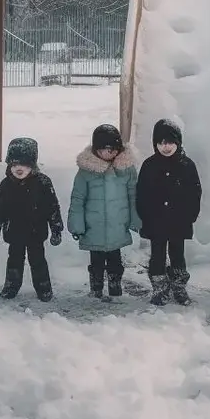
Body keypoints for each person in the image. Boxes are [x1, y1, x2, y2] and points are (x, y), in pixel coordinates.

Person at [67, 124, 140, 298]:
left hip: (117, 225)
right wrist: (77, 225)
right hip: (94, 228)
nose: (109, 153)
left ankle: (115, 287)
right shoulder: (86, 171)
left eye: (113, 149)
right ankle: (96, 287)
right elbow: (78, 199)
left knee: (115, 261)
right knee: (96, 262)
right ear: (96, 149)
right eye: (105, 149)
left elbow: (134, 195)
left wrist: (136, 220)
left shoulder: (126, 169)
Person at [0, 137, 63, 301]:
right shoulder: (6, 185)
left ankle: (44, 288)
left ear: (32, 165)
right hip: (14, 233)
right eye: (14, 164)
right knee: (14, 261)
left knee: (38, 261)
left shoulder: (43, 183)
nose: (18, 168)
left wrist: (56, 228)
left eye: (24, 164)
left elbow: (53, 208)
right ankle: (11, 286)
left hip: (36, 232)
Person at [136, 118, 202, 306]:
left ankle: (179, 287)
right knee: (157, 255)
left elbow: (195, 192)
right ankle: (159, 288)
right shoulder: (149, 165)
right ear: (155, 144)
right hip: (155, 222)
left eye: (170, 142)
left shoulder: (186, 165)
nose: (166, 147)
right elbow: (141, 193)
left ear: (178, 143)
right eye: (161, 143)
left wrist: (190, 215)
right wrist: (145, 215)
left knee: (177, 254)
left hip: (178, 222)